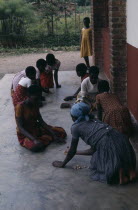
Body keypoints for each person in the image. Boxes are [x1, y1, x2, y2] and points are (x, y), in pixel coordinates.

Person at [52, 102, 136, 185]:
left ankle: (121, 176)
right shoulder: (94, 120)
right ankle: (130, 172)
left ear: (74, 118)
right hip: (120, 137)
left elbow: (72, 151)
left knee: (101, 162)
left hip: (107, 143)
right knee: (116, 152)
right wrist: (78, 152)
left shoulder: (75, 127)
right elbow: (94, 149)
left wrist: (63, 164)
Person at [15, 85, 67, 152]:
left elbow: (41, 121)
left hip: (36, 128)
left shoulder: (35, 104)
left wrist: (53, 134)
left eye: (39, 98)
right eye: (36, 99)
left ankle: (46, 139)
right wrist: (34, 140)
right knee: (36, 147)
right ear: (28, 95)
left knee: (61, 132)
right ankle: (42, 140)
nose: (38, 101)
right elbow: (20, 128)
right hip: (26, 134)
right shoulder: (20, 107)